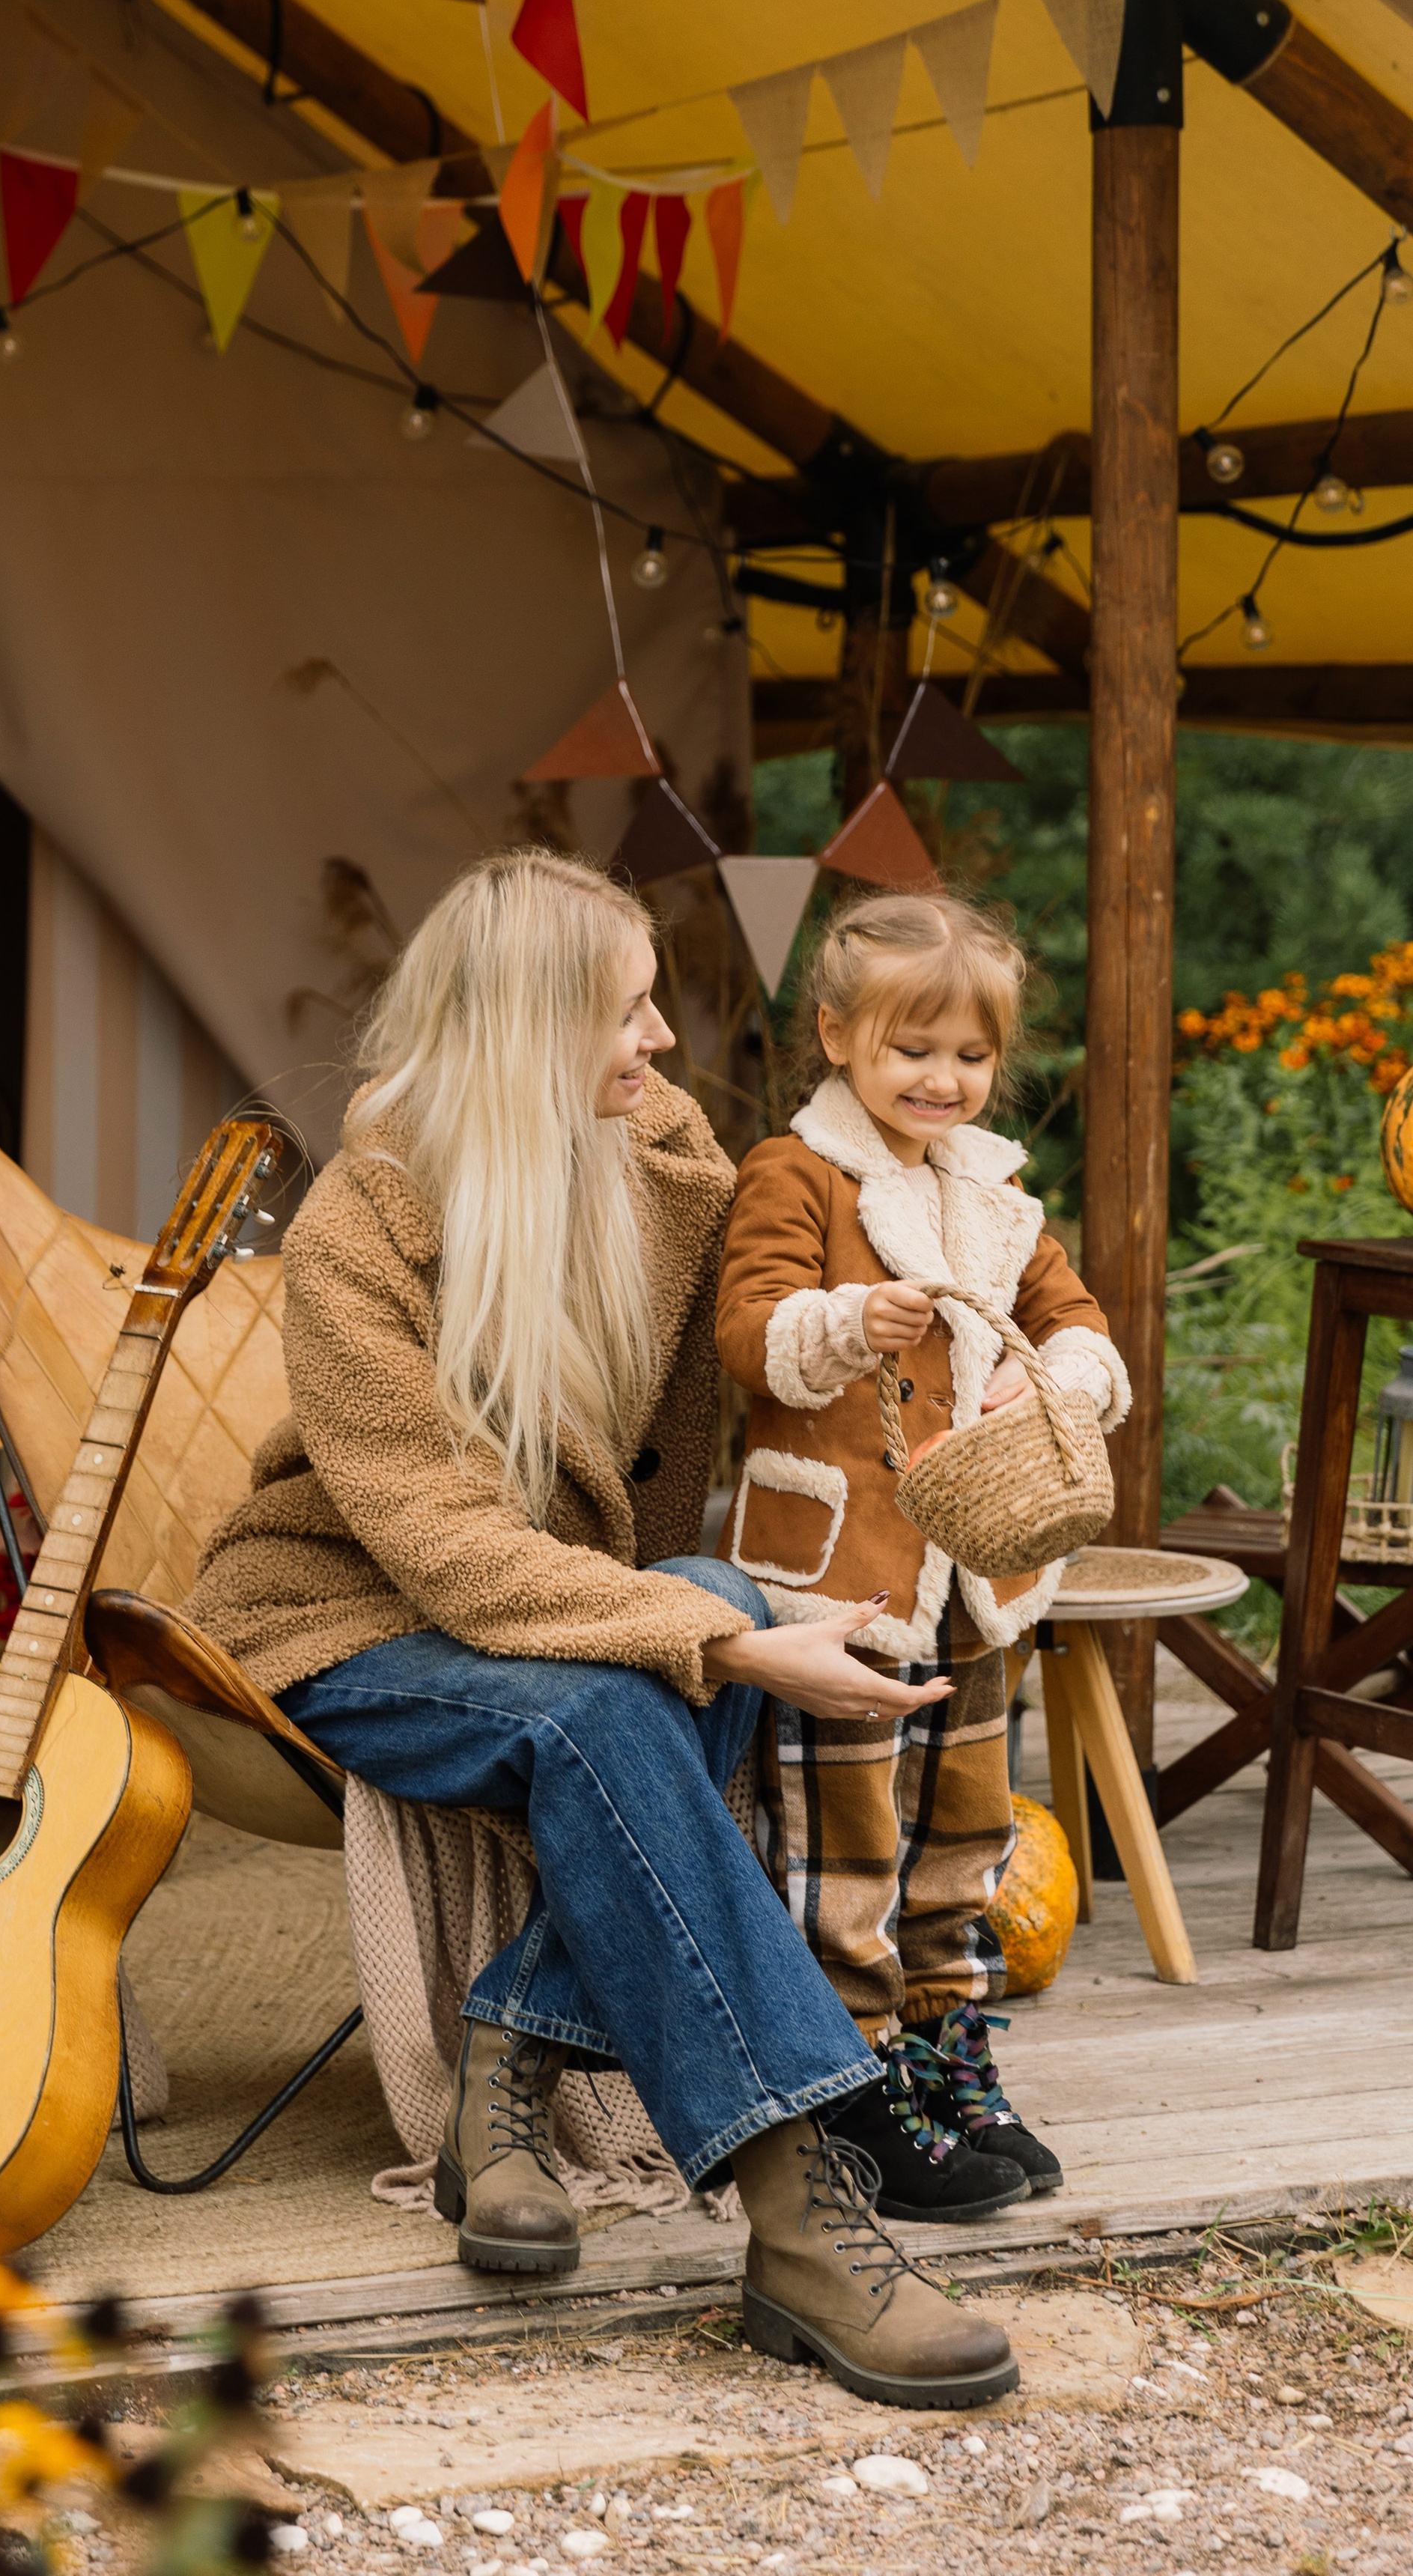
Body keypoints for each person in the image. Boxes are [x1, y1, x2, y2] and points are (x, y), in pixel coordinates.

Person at [186, 847, 1018, 2409]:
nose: (658, 1043)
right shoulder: (359, 1226)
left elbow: (836, 1260)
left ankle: (505, 2058)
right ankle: (796, 2211)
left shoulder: (665, 1165)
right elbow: (446, 1553)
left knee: (700, 1602)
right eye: (625, 1013)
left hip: (558, 1600)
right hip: (351, 1616)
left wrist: (1009, 1336)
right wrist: (737, 1648)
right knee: (644, 1676)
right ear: (518, 1030)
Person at [714, 887, 1129, 2223]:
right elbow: (750, 1333)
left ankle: (950, 2051)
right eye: (912, 1049)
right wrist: (845, 1317)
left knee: (966, 1827)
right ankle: (851, 2080)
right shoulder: (797, 1172)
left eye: (969, 1054)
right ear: (837, 1035)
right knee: (848, 1837)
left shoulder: (994, 1190)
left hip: (977, 1576)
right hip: (843, 1571)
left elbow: (1075, 1319)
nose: (942, 1078)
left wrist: (1055, 1379)